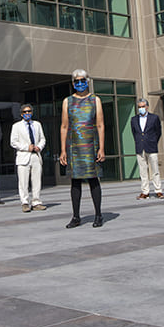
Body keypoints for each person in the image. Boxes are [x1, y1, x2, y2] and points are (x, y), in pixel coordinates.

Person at [59, 69, 105, 228]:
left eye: (82, 80)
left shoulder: (95, 100)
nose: (80, 83)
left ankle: (98, 215)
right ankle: (76, 216)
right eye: (76, 81)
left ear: (87, 81)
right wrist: (63, 150)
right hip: (74, 147)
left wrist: (102, 148)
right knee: (75, 182)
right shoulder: (67, 101)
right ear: (73, 83)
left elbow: (100, 124)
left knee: (94, 181)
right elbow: (64, 126)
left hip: (91, 146)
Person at [10, 104, 47, 212]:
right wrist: (27, 147)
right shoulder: (16, 126)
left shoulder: (37, 124)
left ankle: (36, 202)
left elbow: (43, 139)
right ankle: (25, 202)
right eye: (25, 112)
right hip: (23, 156)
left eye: (29, 111)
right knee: (23, 182)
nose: (27, 114)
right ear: (21, 114)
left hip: (36, 156)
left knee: (36, 181)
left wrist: (39, 147)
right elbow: (13, 142)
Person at [130, 98, 164, 200]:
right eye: (139, 107)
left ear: (147, 107)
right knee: (143, 171)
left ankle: (158, 190)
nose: (141, 108)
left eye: (143, 106)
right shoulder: (134, 119)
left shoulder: (154, 118)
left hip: (151, 146)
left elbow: (158, 132)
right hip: (140, 148)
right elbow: (134, 133)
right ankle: (145, 191)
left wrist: (153, 141)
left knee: (155, 170)